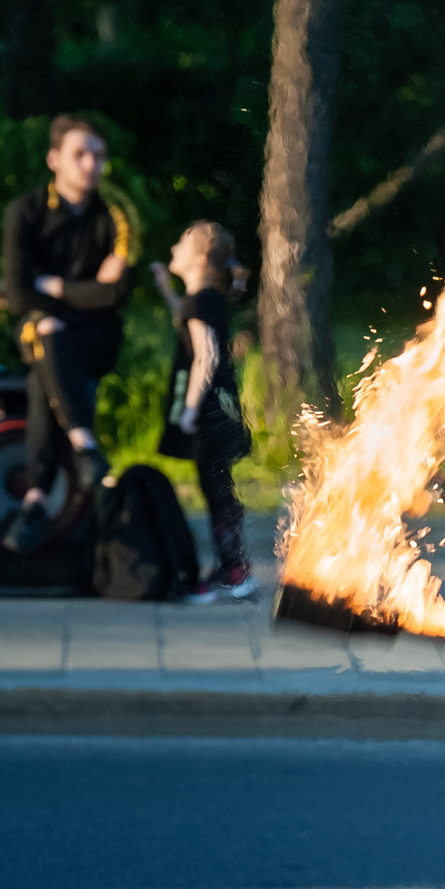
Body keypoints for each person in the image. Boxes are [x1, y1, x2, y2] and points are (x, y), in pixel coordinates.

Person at [0, 115, 134, 552]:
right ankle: (81, 446)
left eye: (97, 155)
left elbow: (115, 294)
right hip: (42, 329)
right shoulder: (25, 212)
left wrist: (55, 287)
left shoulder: (115, 215)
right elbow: (18, 294)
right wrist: (84, 294)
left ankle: (37, 497)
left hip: (95, 336)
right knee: (45, 333)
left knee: (46, 361)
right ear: (54, 159)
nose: (91, 164)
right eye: (80, 154)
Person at [150, 220, 257, 603]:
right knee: (218, 489)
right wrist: (165, 288)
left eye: (180, 242)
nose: (173, 248)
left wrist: (191, 410)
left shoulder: (201, 302)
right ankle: (231, 567)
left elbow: (206, 357)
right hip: (223, 411)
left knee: (216, 492)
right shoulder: (206, 299)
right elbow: (186, 315)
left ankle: (233, 570)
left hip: (208, 415)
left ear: (198, 258)